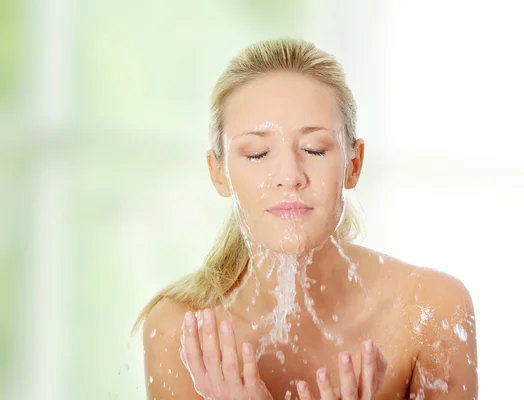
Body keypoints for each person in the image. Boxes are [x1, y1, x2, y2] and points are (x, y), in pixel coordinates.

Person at [131, 38, 478, 400]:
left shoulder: (429, 309)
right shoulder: (183, 332)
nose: (290, 175)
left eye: (315, 149)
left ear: (353, 164)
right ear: (218, 172)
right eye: (257, 153)